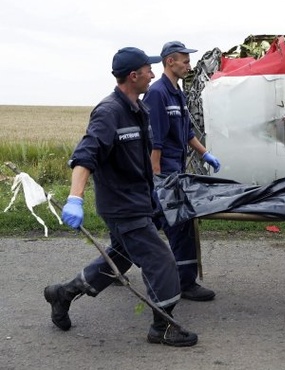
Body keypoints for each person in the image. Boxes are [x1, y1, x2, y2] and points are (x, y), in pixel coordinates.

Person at [43, 47, 198, 347]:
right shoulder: (109, 112)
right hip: (121, 205)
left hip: (139, 199)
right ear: (133, 75)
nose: (153, 74)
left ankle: (63, 293)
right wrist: (75, 198)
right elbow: (85, 156)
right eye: (148, 70)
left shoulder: (138, 109)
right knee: (161, 259)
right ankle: (163, 327)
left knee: (122, 257)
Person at [143, 41, 220, 302]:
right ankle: (185, 283)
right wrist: (157, 178)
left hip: (174, 169)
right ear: (170, 62)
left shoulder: (177, 92)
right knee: (180, 224)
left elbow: (186, 132)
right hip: (162, 172)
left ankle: (110, 267)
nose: (189, 65)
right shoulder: (157, 93)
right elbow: (155, 140)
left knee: (145, 226)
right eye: (185, 61)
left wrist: (204, 153)